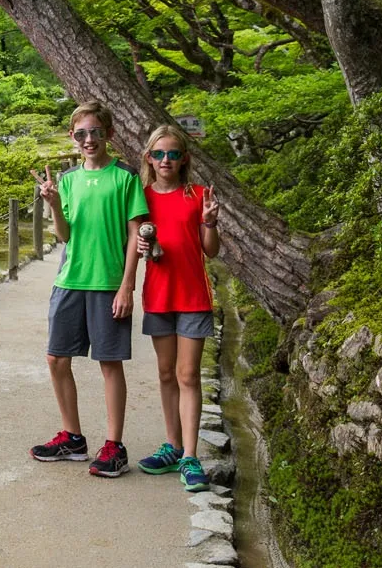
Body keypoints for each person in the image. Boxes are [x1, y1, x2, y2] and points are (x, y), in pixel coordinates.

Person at [30, 101, 147, 478]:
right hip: (70, 279)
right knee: (56, 359)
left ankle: (115, 445)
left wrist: (128, 286)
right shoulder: (67, 180)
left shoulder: (125, 178)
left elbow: (135, 234)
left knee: (108, 363)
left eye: (96, 131)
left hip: (109, 282)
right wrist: (52, 205)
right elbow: (64, 235)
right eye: (81, 133)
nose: (89, 139)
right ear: (73, 138)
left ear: (109, 135)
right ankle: (73, 438)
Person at [134, 124, 219, 492]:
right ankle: (172, 446)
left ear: (184, 158)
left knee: (188, 375)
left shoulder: (198, 195)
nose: (165, 160)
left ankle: (190, 455)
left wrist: (211, 223)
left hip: (193, 296)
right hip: (158, 296)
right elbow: (134, 243)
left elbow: (211, 249)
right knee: (166, 374)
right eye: (158, 154)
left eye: (172, 154)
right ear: (148, 158)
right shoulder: (140, 198)